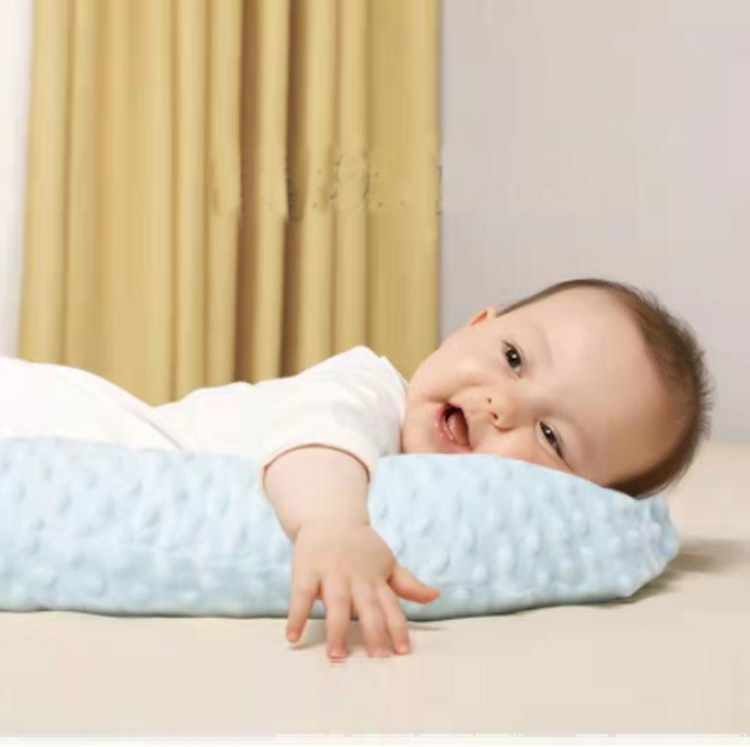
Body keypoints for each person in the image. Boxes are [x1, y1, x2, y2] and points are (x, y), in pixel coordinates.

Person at [0, 277, 713, 661]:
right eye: (514, 358)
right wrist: (333, 525)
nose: (504, 403)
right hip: (53, 417)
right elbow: (313, 443)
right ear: (473, 327)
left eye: (552, 434)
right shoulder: (366, 386)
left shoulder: (459, 509)